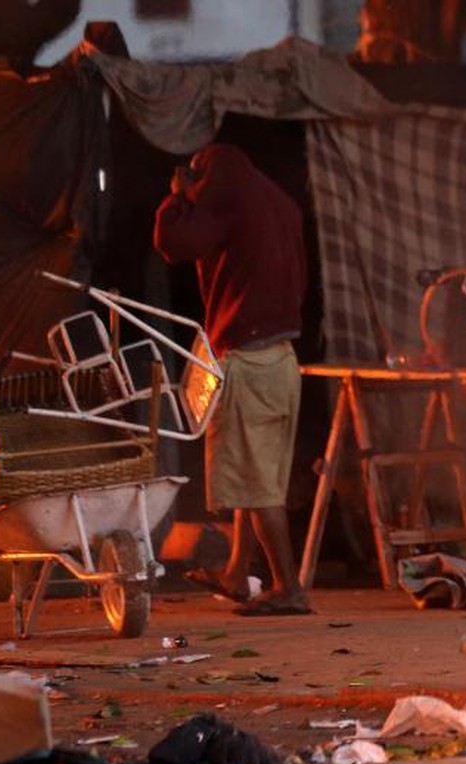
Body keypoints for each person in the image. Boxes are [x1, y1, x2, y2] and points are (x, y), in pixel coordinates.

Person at [154, 143, 311, 616]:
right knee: (252, 472)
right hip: (283, 359)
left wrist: (178, 197)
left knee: (259, 485)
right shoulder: (278, 203)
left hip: (252, 358)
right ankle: (237, 573)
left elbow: (173, 243)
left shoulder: (229, 201)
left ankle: (288, 587)